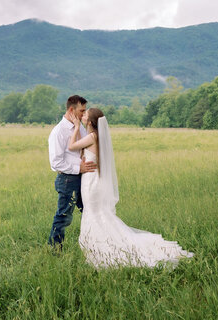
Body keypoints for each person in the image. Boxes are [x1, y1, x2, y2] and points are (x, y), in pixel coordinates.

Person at [68, 108, 193, 268]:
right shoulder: (95, 137)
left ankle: (101, 248)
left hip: (91, 182)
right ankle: (97, 246)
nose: (82, 115)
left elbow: (71, 146)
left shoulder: (92, 136)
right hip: (93, 180)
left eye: (85, 115)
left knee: (93, 213)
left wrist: (77, 126)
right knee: (97, 213)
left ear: (90, 122)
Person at [48, 95, 98, 249]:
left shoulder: (80, 127)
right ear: (71, 110)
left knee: (89, 211)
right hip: (68, 180)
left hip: (83, 178)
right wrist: (79, 168)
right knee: (64, 216)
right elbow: (56, 162)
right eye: (81, 111)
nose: (83, 115)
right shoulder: (59, 132)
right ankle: (55, 249)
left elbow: (84, 146)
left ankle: (93, 245)